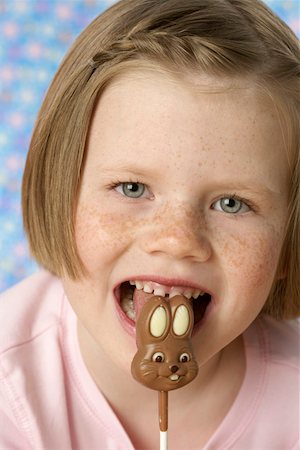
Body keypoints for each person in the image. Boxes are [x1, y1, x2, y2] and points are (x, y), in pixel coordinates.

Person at [0, 0, 299, 448]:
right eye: (133, 188)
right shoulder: (11, 393)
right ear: (60, 197)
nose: (178, 240)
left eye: (232, 203)